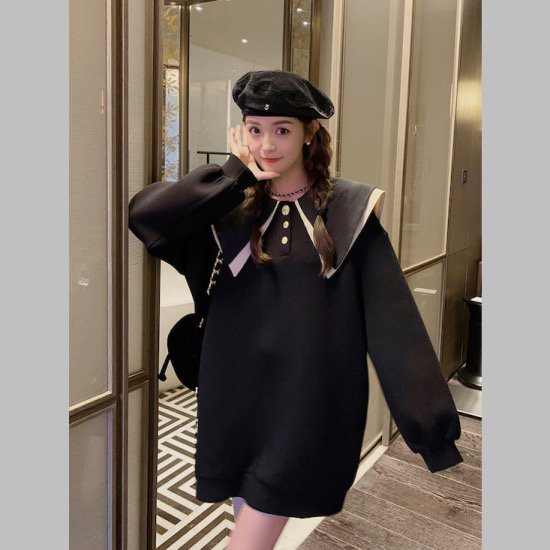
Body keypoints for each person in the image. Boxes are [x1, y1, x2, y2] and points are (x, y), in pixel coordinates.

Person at [128, 69, 463, 549]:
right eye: (255, 129)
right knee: (248, 515)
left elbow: (394, 325)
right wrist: (234, 174)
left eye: (282, 130)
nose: (266, 144)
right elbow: (145, 217)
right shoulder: (226, 208)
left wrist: (431, 428)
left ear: (309, 134)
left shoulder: (349, 211)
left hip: (308, 407)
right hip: (232, 400)